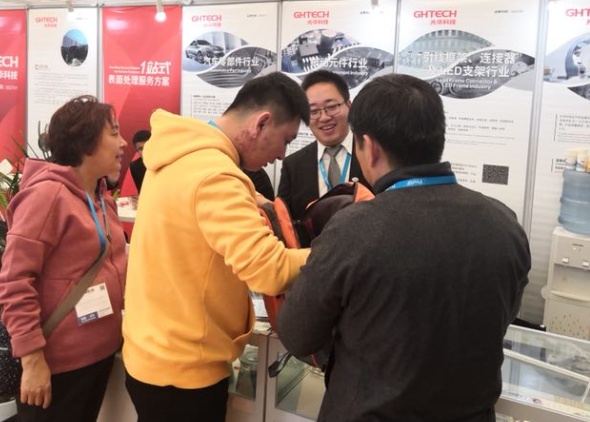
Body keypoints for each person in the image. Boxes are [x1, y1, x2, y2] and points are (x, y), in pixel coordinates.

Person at [277, 74, 531, 422]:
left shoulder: (354, 229)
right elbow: (502, 315)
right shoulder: (504, 222)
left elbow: (297, 334)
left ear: (370, 147)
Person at [123, 72, 311, 422]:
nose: (281, 155)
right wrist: (336, 253)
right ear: (261, 123)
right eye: (285, 140)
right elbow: (269, 270)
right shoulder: (216, 175)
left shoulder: (178, 155)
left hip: (151, 355)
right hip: (185, 373)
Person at [0, 96, 128, 422]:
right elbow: (13, 281)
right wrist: (31, 359)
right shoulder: (48, 195)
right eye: (114, 133)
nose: (124, 143)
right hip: (57, 364)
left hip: (98, 353)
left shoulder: (100, 198)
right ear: (86, 143)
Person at [277, 70, 369, 243]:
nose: (324, 117)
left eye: (332, 107)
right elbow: (286, 225)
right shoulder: (293, 165)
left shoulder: (372, 152)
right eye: (313, 111)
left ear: (349, 106)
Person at [129, 129, 151, 194]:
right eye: (141, 149)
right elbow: (141, 191)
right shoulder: (135, 166)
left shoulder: (166, 161)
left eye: (147, 146)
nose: (145, 151)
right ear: (137, 151)